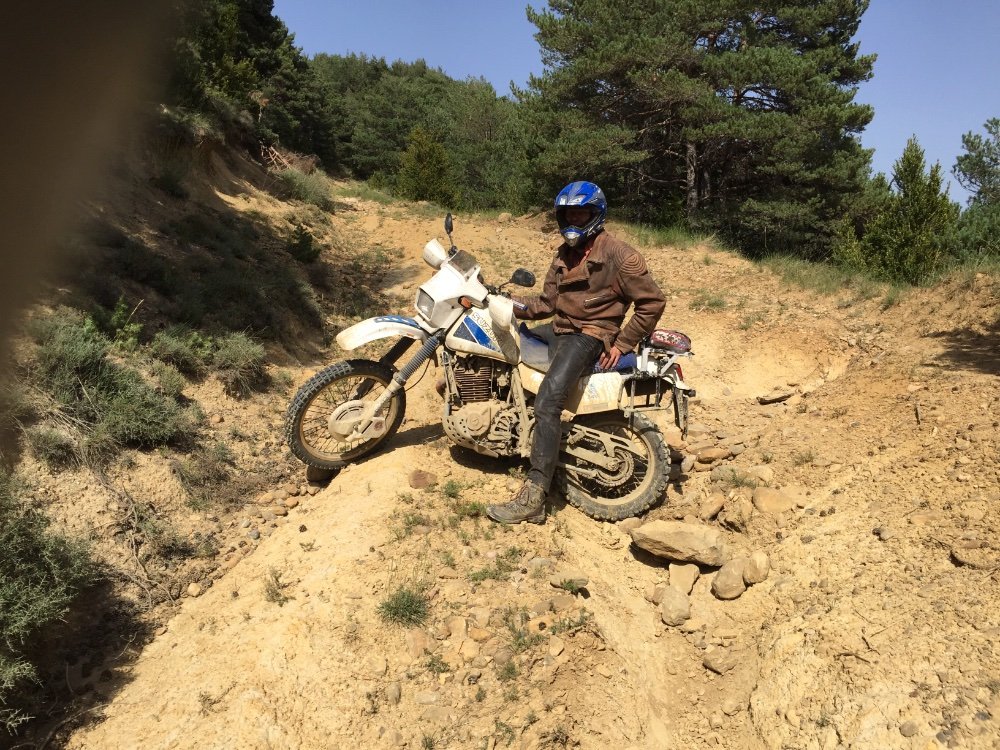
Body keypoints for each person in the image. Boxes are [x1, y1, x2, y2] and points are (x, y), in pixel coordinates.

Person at [486, 181, 666, 524]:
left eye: (581, 214)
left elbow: (652, 303)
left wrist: (623, 342)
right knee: (504, 344)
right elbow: (546, 304)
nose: (573, 220)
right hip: (561, 328)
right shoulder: (563, 254)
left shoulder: (620, 255)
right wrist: (506, 303)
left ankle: (535, 494)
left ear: (596, 214)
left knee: (549, 400)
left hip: (590, 334)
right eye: (568, 214)